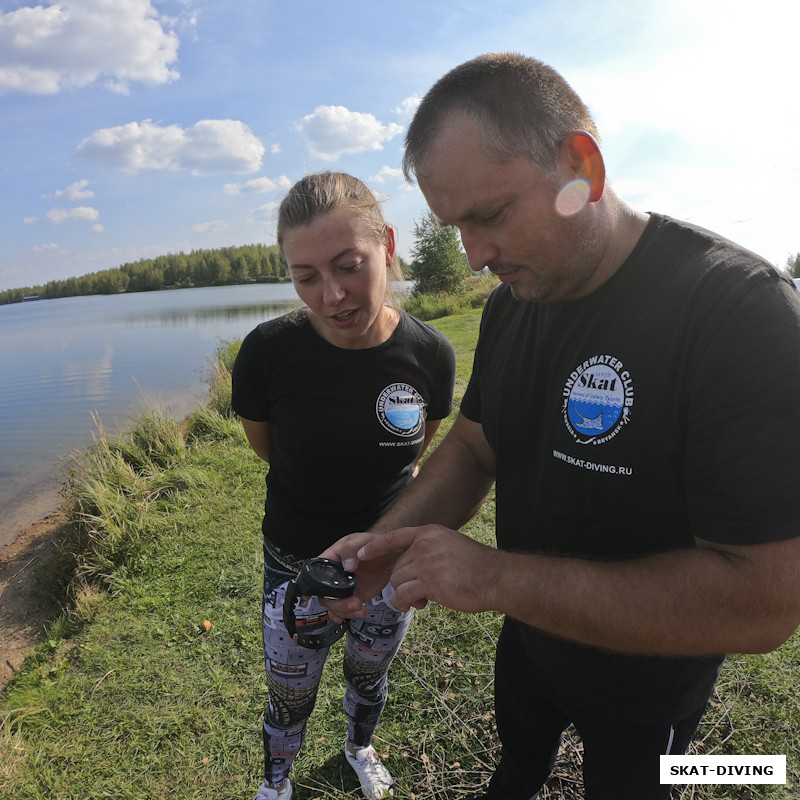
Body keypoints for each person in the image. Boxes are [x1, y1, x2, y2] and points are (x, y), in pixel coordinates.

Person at [321, 53, 800, 800]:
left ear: (583, 165)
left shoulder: (740, 315)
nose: (475, 256)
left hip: (651, 684)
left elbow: (767, 602)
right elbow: (477, 445)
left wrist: (497, 576)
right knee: (516, 769)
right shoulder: (515, 305)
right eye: (455, 229)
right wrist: (390, 541)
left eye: (490, 214)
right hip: (529, 643)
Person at [231, 171, 456, 800]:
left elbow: (419, 451)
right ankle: (276, 784)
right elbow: (266, 445)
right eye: (306, 277)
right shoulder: (267, 353)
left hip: (385, 566)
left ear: (386, 243)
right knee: (289, 691)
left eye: (349, 265)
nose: (331, 295)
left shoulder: (430, 354)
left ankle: (358, 748)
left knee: (369, 675)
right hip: (293, 566)